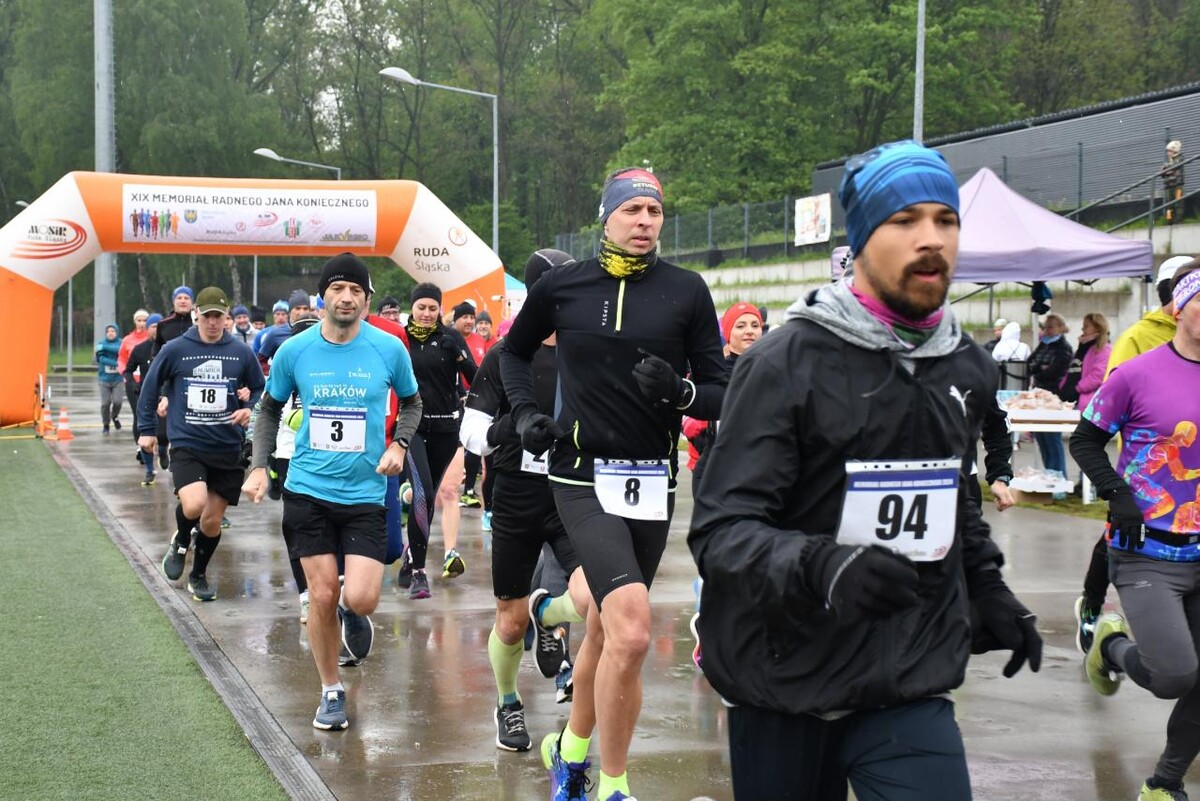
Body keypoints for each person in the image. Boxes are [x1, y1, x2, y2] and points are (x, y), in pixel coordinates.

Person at [688, 139, 1042, 801]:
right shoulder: (784, 362)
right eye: (904, 221)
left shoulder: (965, 364)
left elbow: (952, 498)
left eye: (946, 219)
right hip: (786, 680)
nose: (930, 238)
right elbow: (721, 531)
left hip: (907, 676)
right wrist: (826, 566)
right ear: (860, 240)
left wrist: (988, 586)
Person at [501, 165, 728, 801]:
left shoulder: (686, 290)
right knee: (631, 630)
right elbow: (513, 353)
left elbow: (720, 386)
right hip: (580, 476)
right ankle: (613, 785)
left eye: (654, 212)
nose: (644, 221)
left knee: (606, 628)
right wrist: (525, 414)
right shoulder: (564, 286)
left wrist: (681, 392)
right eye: (632, 210)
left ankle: (569, 752)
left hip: (652, 481)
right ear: (607, 217)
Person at [242, 254, 422, 731]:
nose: (346, 298)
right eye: (338, 289)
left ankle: (351, 610)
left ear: (366, 299)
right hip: (307, 490)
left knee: (361, 598)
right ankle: (330, 690)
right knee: (320, 594)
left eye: (355, 290)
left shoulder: (389, 349)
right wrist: (258, 467)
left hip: (365, 493)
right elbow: (268, 409)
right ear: (323, 297)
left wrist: (400, 444)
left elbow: (412, 402)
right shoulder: (294, 351)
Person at [1072, 262, 1200, 801]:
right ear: (1180, 308)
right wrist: (1116, 491)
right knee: (1174, 677)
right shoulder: (1137, 373)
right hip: (1146, 551)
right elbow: (1085, 440)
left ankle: (1164, 784)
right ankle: (1110, 645)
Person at [459, 248, 591, 753]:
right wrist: (508, 427)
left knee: (592, 597)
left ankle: (550, 614)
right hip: (516, 494)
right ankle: (508, 702)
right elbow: (471, 432)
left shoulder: (590, 351)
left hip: (573, 493)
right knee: (511, 622)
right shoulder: (505, 354)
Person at [1072, 256, 1194, 654]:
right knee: (1114, 535)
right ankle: (1094, 609)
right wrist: (1116, 488)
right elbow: (1103, 415)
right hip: (1146, 473)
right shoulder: (1137, 339)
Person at [137, 287, 264, 603]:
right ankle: (181, 540)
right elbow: (150, 388)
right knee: (194, 505)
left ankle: (198, 575)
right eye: (206, 316)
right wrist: (147, 430)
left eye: (218, 316)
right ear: (196, 314)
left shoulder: (240, 352)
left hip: (227, 446)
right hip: (188, 443)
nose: (212, 322)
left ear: (226, 316)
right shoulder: (175, 349)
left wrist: (250, 408)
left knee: (211, 521)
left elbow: (261, 389)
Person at [394, 283, 477, 596]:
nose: (427, 314)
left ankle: (410, 554)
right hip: (412, 427)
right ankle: (419, 572)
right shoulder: (401, 339)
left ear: (440, 310)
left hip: (446, 429)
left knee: (426, 502)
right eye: (421, 307)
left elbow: (475, 376)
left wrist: (461, 357)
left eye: (432, 308)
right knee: (423, 493)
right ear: (412, 308)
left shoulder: (450, 338)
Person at [1027, 313, 1073, 480]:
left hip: (1053, 397)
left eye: (1051, 327)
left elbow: (1054, 372)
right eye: (1045, 327)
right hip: (1038, 395)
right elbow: (1030, 363)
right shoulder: (1043, 344)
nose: (1047, 330)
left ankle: (1059, 478)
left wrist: (1039, 370)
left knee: (1052, 439)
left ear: (1060, 328)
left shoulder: (1064, 348)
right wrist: (1040, 368)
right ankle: (1049, 476)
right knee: (1042, 438)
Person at [123, 313, 162, 485]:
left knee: (164, 432)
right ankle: (149, 469)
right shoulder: (140, 349)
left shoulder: (169, 348)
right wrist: (133, 384)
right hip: (146, 395)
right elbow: (128, 370)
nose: (156, 330)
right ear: (147, 329)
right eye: (153, 326)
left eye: (159, 326)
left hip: (166, 396)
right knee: (145, 429)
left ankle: (164, 453)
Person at [96, 323, 125, 434]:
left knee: (118, 402)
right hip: (104, 379)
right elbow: (101, 359)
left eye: (113, 331)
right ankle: (106, 424)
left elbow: (121, 351)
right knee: (105, 403)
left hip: (118, 379)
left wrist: (106, 348)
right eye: (108, 331)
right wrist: (117, 363)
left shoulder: (122, 343)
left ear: (117, 332)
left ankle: (115, 416)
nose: (110, 333)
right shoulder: (101, 343)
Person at [116, 309, 151, 377]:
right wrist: (125, 374)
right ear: (135, 321)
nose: (142, 323)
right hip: (132, 378)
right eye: (139, 320)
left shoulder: (152, 338)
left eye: (145, 320)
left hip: (149, 377)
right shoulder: (127, 340)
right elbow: (121, 359)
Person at [1162, 140, 1185, 225]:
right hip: (1168, 186)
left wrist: (1167, 168)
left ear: (1175, 150)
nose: (1168, 153)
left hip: (1178, 185)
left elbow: (1174, 165)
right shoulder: (1169, 160)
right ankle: (1169, 221)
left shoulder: (1180, 158)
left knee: (1178, 202)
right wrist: (1168, 170)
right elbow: (1162, 172)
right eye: (1168, 151)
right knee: (1168, 205)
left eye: (1169, 151)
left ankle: (1178, 221)